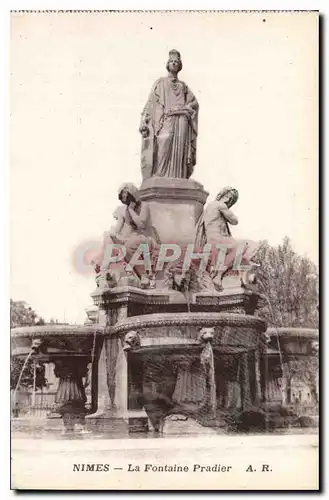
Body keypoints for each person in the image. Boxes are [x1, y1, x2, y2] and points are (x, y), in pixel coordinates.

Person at [140, 50, 199, 179]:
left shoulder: (183, 87)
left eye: (176, 62)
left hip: (181, 121)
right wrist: (143, 121)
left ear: (179, 66)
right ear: (168, 64)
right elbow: (150, 104)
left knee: (179, 152)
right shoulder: (160, 83)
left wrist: (186, 108)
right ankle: (159, 175)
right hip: (166, 119)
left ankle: (179, 178)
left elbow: (194, 103)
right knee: (163, 141)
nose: (174, 63)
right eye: (172, 61)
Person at [195, 187, 257, 290]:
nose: (230, 202)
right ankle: (219, 275)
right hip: (219, 240)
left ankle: (239, 277)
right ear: (227, 197)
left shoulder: (209, 207)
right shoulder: (220, 205)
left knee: (241, 251)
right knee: (244, 246)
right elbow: (234, 221)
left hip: (212, 240)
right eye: (231, 199)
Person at [96, 183, 158, 281]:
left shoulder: (144, 206)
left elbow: (141, 224)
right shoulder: (125, 209)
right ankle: (104, 270)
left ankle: (143, 274)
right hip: (131, 237)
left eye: (126, 194)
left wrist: (131, 210)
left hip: (144, 237)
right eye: (123, 195)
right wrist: (113, 234)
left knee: (129, 246)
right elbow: (120, 228)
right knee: (108, 238)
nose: (124, 197)